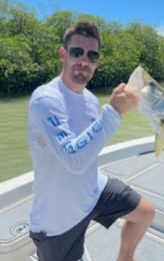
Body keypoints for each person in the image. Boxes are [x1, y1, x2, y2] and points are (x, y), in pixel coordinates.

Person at [28, 21, 155, 261]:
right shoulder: (44, 100)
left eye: (92, 55)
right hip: (57, 218)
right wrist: (113, 112)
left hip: (93, 190)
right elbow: (74, 159)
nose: (84, 61)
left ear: (97, 62)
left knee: (145, 213)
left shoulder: (90, 100)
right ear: (63, 54)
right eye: (77, 52)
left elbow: (89, 145)